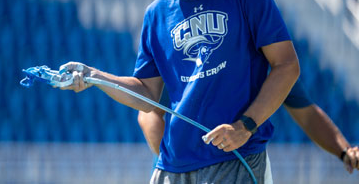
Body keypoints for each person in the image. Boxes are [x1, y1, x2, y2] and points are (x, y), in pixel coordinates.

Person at [57, 0, 300, 183]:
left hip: (235, 160)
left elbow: (287, 66)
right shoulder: (156, 14)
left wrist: (245, 126)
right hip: (172, 168)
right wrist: (94, 76)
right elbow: (146, 94)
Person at [138, 81, 359, 176]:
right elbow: (148, 114)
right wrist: (181, 164)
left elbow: (307, 113)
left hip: (242, 173)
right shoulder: (192, 53)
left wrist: (344, 151)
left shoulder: (268, 60)